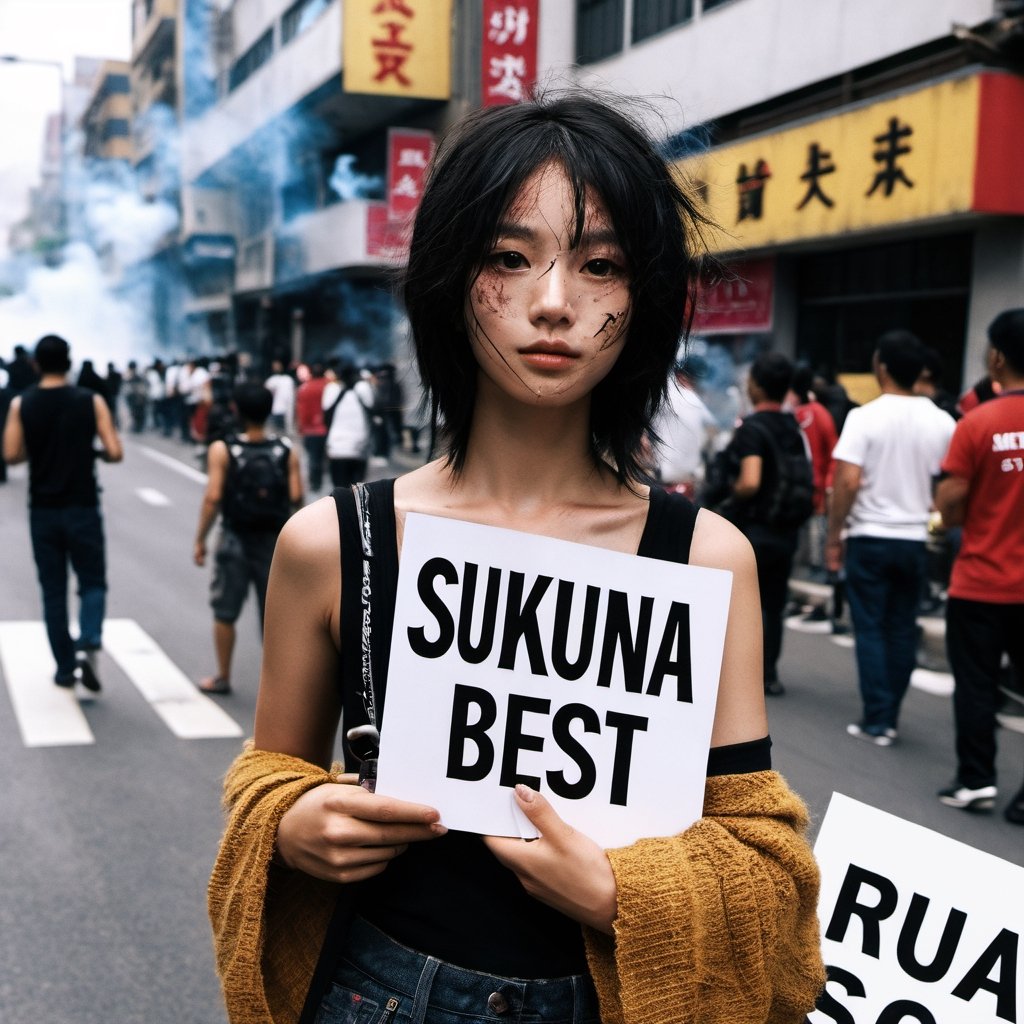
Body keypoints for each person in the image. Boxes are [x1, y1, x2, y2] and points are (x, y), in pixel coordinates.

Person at [206, 94, 825, 1024]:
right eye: (509, 256)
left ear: (643, 297)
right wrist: (292, 826)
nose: (552, 303)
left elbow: (766, 864)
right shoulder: (336, 544)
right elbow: (267, 779)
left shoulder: (703, 557)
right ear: (452, 278)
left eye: (601, 265)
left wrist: (630, 895)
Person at [826, 331, 956, 745]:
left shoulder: (864, 417)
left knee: (870, 627)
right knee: (902, 627)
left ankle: (877, 719)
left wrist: (834, 535)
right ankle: (890, 714)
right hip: (916, 539)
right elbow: (951, 481)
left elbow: (846, 482)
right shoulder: (942, 421)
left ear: (880, 367)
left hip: (869, 536)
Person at [934, 309, 1024, 825]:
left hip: (983, 582)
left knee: (976, 685)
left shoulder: (978, 422)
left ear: (997, 356)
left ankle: (977, 780)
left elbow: (950, 504)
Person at [2, 334, 122, 690]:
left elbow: (10, 454)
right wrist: (93, 453)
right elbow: (115, 451)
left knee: (53, 591)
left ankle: (65, 667)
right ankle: (89, 637)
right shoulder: (90, 400)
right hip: (83, 503)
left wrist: (36, 452)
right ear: (68, 362)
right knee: (92, 581)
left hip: (43, 509)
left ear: (36, 364)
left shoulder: (22, 404)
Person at [192, 383, 303, 695]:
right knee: (275, 615)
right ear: (269, 411)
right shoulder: (286, 449)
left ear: (237, 411)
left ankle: (223, 676)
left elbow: (213, 497)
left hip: (234, 538)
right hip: (274, 542)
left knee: (225, 610)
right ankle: (280, 685)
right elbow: (296, 495)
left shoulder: (222, 449)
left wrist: (200, 538)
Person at [714, 352, 813, 697]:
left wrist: (729, 495)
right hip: (785, 531)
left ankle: (735, 672)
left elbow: (750, 481)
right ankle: (768, 673)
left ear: (755, 385)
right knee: (773, 603)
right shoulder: (794, 428)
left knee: (739, 601)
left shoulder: (753, 428)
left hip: (754, 529)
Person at [790, 363, 837, 582]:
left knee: (810, 546)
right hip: (811, 491)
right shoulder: (818, 413)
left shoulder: (796, 414)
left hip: (806, 493)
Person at [649, 360, 716, 500]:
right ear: (682, 377)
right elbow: (713, 428)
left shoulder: (671, 394)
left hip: (666, 477)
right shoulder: (682, 396)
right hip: (670, 477)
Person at [322, 363, 375, 487]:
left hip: (337, 447)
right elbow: (372, 406)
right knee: (358, 491)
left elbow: (325, 411)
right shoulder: (364, 388)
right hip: (359, 446)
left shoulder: (332, 389)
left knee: (339, 490)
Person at [295, 362, 329, 492]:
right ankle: (322, 482)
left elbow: (302, 411)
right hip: (326, 428)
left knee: (313, 458)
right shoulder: (328, 386)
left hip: (310, 429)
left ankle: (315, 484)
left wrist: (301, 427)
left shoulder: (305, 388)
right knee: (323, 458)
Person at [265, 358, 296, 433]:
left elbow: (291, 398)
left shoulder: (288, 380)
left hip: (283, 411)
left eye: (278, 365)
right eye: (275, 366)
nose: (276, 367)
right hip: (272, 412)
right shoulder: (270, 380)